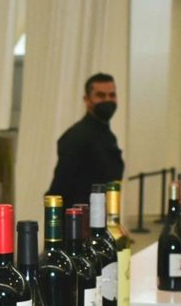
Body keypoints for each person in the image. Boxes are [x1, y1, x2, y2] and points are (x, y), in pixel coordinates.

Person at [45, 72, 124, 206]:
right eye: (101, 95)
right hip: (79, 216)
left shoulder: (108, 136)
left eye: (112, 95)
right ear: (87, 100)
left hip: (99, 213)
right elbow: (60, 190)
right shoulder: (76, 137)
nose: (107, 100)